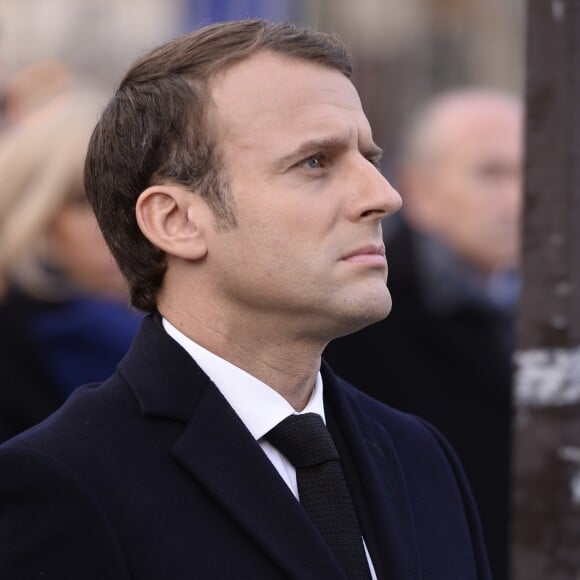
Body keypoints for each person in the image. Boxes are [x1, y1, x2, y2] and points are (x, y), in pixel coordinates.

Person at [0, 21, 491, 579]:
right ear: (176, 220)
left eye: (369, 158)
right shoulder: (65, 481)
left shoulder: (419, 456)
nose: (383, 196)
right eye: (315, 162)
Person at [324, 88, 523, 580]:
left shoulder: (552, 303)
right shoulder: (357, 317)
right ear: (419, 188)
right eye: (491, 174)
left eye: (531, 172)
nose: (518, 199)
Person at [0, 89, 142, 443]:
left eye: (129, 197)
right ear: (36, 213)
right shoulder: (83, 337)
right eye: (82, 201)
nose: (114, 222)